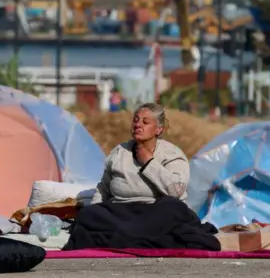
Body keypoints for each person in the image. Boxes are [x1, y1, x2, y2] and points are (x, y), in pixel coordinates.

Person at [63, 103, 220, 251]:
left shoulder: (172, 154)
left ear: (158, 129)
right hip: (122, 212)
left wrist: (149, 163)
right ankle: (134, 235)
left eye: (145, 122)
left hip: (156, 212)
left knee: (172, 208)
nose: (138, 125)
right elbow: (104, 188)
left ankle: (125, 235)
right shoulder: (119, 152)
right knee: (88, 215)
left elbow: (175, 191)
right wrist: (96, 210)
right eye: (136, 121)